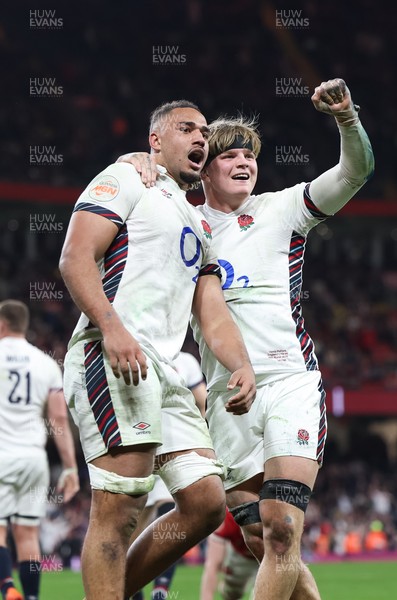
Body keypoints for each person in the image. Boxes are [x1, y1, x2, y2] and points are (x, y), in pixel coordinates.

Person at [120, 79, 374, 599]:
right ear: (204, 168)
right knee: (262, 541)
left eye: (249, 155)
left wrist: (347, 119)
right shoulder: (183, 222)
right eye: (229, 155)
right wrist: (136, 159)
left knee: (283, 528)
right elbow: (138, 182)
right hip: (227, 398)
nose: (243, 162)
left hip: (288, 384)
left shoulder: (285, 209)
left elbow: (356, 171)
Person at [59, 100, 256, 600]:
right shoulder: (127, 179)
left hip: (166, 373)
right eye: (186, 128)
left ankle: (113, 592)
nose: (200, 138)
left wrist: (242, 365)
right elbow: (76, 256)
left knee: (206, 503)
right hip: (113, 357)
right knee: (119, 507)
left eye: (204, 132)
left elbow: (211, 312)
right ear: (154, 141)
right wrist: (112, 327)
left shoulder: (197, 222)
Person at [0, 300, 79, 600]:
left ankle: (7, 587)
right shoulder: (45, 363)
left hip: (2, 454)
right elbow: (58, 418)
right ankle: (31, 597)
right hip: (34, 459)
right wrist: (70, 467)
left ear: (2, 325)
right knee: (28, 534)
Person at [132, 350, 207, 600]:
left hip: (165, 445)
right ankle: (140, 590)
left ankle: (160, 588)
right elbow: (202, 403)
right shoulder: (183, 361)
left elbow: (203, 404)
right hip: (143, 446)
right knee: (137, 524)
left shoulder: (139, 352)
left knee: (169, 509)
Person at [200, 508, 258, 600]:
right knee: (231, 594)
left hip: (270, 556)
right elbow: (212, 565)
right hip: (240, 557)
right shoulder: (227, 518)